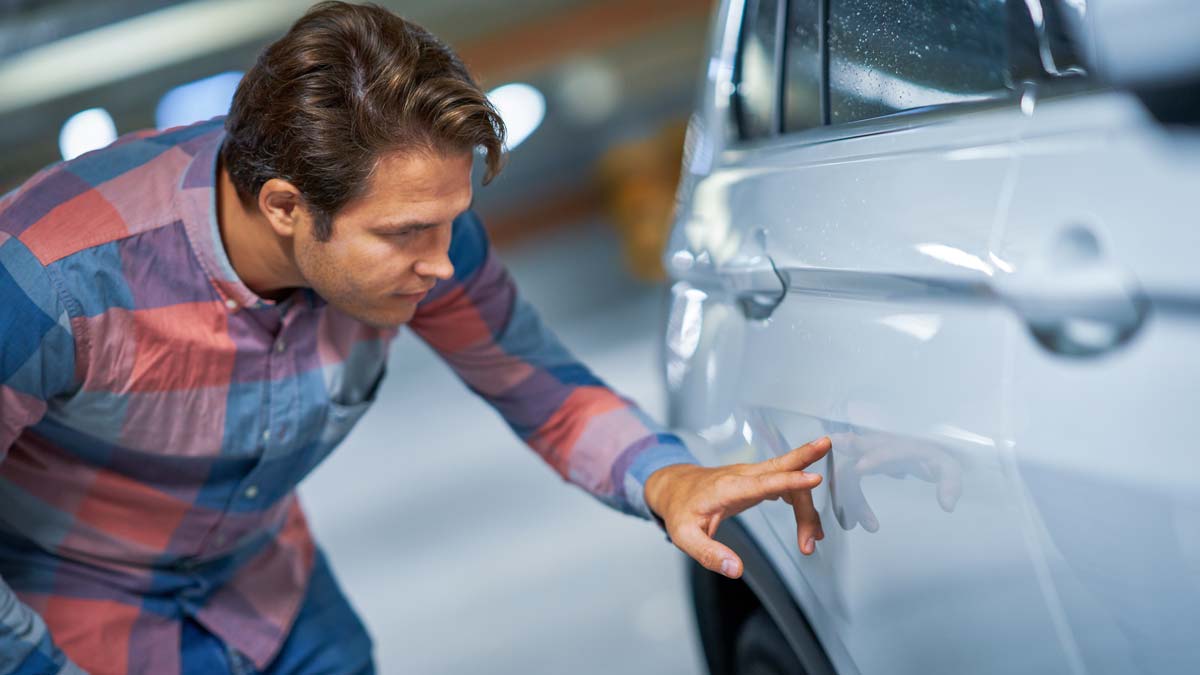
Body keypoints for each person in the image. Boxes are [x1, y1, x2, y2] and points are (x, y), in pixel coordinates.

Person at [0, 2, 829, 673]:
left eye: (451, 223)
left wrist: (669, 478)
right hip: (72, 615)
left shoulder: (422, 236)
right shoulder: (50, 280)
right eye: (405, 234)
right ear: (287, 207)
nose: (443, 265)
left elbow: (536, 382)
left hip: (272, 597)